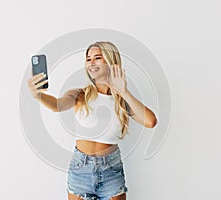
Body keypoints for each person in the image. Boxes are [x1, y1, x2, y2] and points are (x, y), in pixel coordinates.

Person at [27, 41, 157, 200]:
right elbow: (57, 105)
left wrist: (124, 92)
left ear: (110, 61)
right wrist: (38, 95)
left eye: (97, 58)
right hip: (81, 169)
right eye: (88, 59)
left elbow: (150, 121)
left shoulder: (122, 101)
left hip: (111, 171)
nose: (92, 63)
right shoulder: (80, 94)